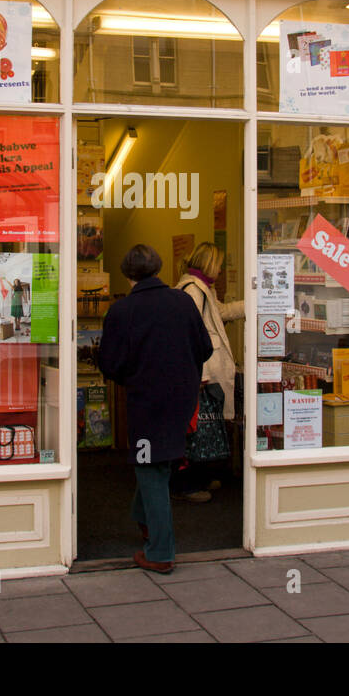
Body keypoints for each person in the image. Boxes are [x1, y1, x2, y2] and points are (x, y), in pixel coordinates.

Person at [98, 243, 212, 574]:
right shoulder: (183, 302)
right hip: (182, 400)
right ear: (159, 269)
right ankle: (143, 520)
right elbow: (204, 349)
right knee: (156, 464)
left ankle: (161, 552)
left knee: (150, 468)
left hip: (147, 403)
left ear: (127, 274)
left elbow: (110, 364)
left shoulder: (122, 311)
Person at [175, 242, 245, 501]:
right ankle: (189, 483)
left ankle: (200, 477)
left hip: (206, 369)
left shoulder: (202, 288)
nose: (222, 270)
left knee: (206, 425)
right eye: (219, 264)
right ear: (210, 264)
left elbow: (222, 312)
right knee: (198, 429)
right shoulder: (194, 291)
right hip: (203, 370)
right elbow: (190, 334)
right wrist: (200, 374)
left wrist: (252, 304)